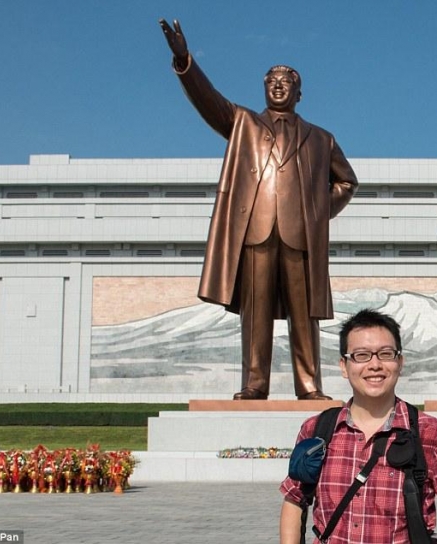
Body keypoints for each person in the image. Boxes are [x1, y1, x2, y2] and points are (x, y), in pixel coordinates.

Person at [160, 20, 358, 400]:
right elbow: (209, 100)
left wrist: (317, 211)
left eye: (286, 82)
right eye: (271, 81)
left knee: (305, 315)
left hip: (299, 234)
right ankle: (254, 383)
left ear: (299, 93)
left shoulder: (321, 138)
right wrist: (185, 61)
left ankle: (309, 384)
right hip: (256, 230)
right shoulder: (243, 124)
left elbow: (347, 182)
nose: (278, 85)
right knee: (256, 312)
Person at [279, 309, 437, 543]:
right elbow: (294, 498)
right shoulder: (318, 430)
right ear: (344, 365)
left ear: (400, 362)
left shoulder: (430, 433)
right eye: (361, 355)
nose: (375, 365)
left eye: (385, 354)